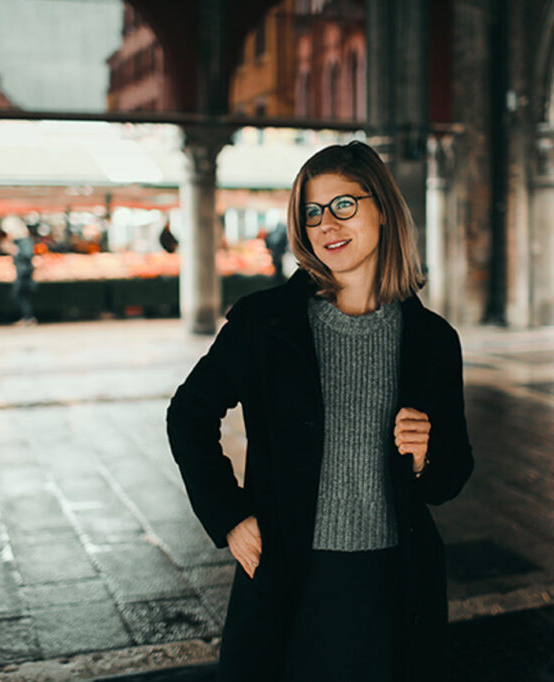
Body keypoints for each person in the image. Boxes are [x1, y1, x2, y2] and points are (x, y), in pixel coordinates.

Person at [166, 141, 474, 682]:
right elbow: (189, 414)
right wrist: (229, 515)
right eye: (311, 212)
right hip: (292, 575)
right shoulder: (266, 324)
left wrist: (426, 457)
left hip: (395, 583)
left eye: (343, 206)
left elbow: (451, 477)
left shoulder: (432, 340)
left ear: (383, 207)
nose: (326, 224)